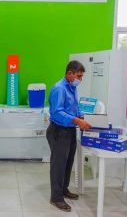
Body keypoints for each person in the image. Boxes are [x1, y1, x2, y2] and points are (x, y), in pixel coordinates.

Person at [47, 60, 91, 212]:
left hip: (71, 130)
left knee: (68, 162)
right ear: (69, 73)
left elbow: (75, 106)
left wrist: (81, 116)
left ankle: (64, 190)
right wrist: (76, 120)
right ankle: (56, 197)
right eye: (79, 76)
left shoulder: (72, 87)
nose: (80, 79)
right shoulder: (59, 89)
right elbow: (57, 112)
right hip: (59, 130)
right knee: (58, 165)